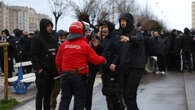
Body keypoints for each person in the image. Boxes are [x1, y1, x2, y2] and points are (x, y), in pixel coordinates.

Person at [56, 21, 106, 110]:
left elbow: (57, 60)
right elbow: (95, 60)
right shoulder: (85, 45)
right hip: (79, 78)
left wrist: (62, 72)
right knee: (79, 101)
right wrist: (103, 59)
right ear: (81, 31)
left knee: (64, 100)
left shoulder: (63, 45)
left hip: (65, 76)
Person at [110, 13, 145, 110]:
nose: (122, 23)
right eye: (121, 21)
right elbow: (119, 52)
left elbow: (139, 39)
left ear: (129, 21)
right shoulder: (121, 34)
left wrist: (130, 39)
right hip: (125, 68)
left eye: (124, 21)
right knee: (126, 95)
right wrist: (114, 62)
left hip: (136, 67)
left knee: (129, 94)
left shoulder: (136, 32)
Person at [31, 18, 58, 110]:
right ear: (43, 27)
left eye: (51, 26)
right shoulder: (36, 39)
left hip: (51, 73)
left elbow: (55, 54)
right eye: (48, 26)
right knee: (40, 95)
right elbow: (33, 56)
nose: (50, 28)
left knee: (48, 95)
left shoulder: (53, 38)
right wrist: (39, 69)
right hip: (41, 73)